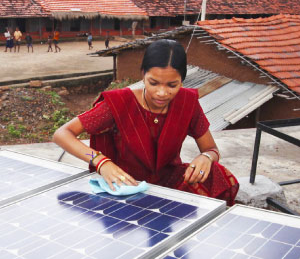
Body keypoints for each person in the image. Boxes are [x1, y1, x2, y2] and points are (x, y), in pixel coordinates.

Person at [53, 39, 239, 205]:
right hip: (125, 183)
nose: (161, 93)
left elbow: (211, 149)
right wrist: (102, 162)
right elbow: (62, 134)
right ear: (143, 75)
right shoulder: (118, 104)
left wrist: (206, 158)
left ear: (182, 80)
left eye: (172, 85)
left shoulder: (187, 103)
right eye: (154, 83)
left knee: (217, 173)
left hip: (169, 181)